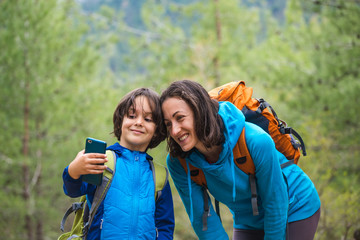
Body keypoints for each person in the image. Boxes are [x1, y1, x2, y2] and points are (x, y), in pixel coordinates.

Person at [160, 80, 321, 240]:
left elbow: (275, 202)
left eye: (180, 118)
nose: (174, 131)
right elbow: (203, 220)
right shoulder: (179, 163)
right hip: (247, 220)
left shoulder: (255, 140)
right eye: (168, 124)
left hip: (293, 206)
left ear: (199, 111)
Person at [62, 88, 175, 240]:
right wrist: (73, 170)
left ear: (156, 130)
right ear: (121, 120)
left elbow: (164, 226)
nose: (139, 122)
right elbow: (73, 190)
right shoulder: (103, 161)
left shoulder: (159, 176)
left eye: (148, 119)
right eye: (132, 115)